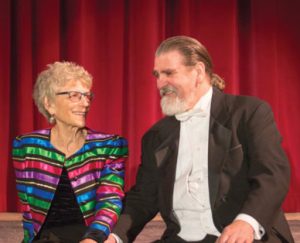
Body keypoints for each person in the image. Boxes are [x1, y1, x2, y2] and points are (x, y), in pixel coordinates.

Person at [105, 36, 294, 243]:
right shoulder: (156, 136)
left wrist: (246, 222)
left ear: (198, 72)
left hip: (244, 235)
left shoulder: (249, 113)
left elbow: (272, 175)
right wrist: (114, 237)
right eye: (157, 75)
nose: (160, 83)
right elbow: (143, 198)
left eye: (169, 73)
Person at [12, 61, 128, 243]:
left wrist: (93, 238)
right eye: (75, 96)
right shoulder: (26, 146)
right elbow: (28, 212)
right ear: (49, 104)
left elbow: (110, 200)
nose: (85, 103)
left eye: (87, 96)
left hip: (89, 236)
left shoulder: (109, 145)